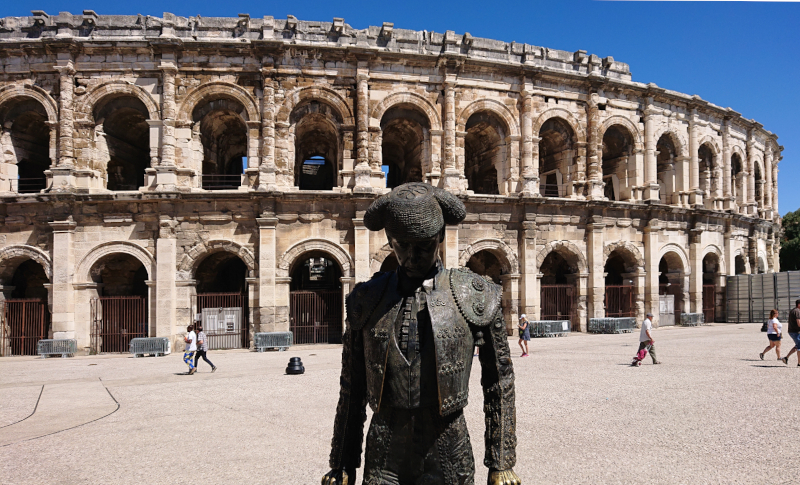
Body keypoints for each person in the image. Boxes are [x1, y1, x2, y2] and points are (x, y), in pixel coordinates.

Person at [322, 183, 520, 485]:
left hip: (448, 444)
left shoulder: (474, 294)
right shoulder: (367, 298)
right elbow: (352, 387)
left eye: (424, 245)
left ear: (440, 237)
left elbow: (499, 379)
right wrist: (342, 461)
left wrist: (501, 461)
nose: (412, 256)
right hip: (385, 445)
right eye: (402, 245)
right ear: (390, 239)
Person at [781, 300, 800, 366]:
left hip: (792, 331)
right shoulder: (797, 311)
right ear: (799, 304)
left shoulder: (793, 310)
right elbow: (799, 323)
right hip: (796, 332)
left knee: (798, 346)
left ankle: (786, 358)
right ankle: (799, 363)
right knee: (799, 347)